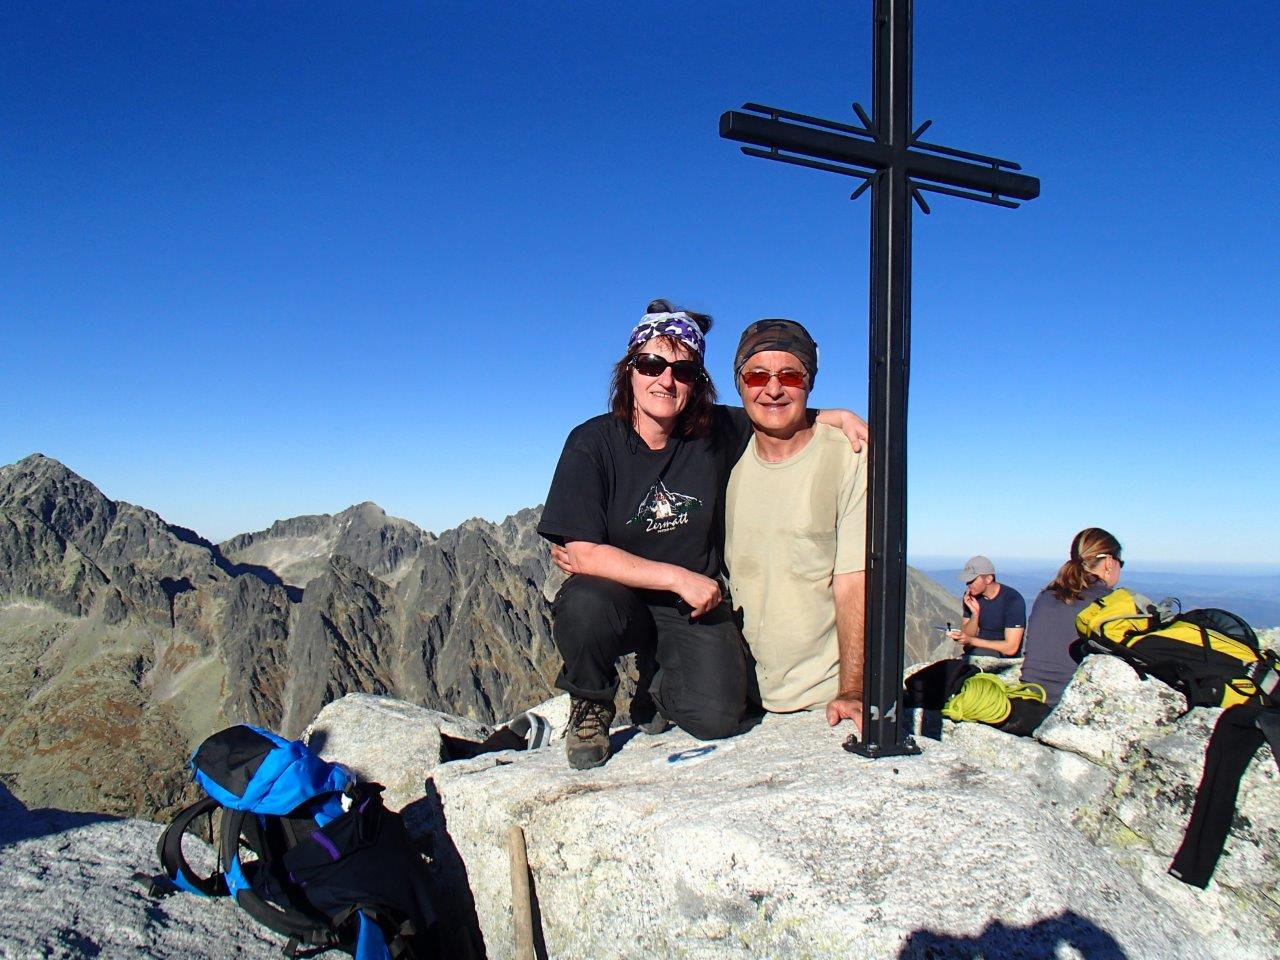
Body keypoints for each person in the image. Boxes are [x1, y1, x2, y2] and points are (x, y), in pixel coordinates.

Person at [539, 300, 867, 770]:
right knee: (584, 603)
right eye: (651, 364)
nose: (666, 380)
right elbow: (582, 552)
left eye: (684, 370)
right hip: (624, 597)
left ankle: (658, 683)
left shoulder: (714, 431)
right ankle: (591, 700)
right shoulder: (593, 443)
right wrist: (678, 577)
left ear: (698, 382)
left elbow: (775, 411)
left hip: (689, 609)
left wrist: (834, 415)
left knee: (717, 716)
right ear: (629, 370)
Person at [723, 319, 867, 734]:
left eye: (790, 375)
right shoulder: (720, 457)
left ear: (810, 382)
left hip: (824, 702)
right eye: (756, 375)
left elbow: (854, 581)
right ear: (739, 384)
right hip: (738, 698)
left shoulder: (850, 456)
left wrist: (853, 690)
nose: (772, 389)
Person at [1013, 528, 1125, 730]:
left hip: (1029, 699)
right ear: (1109, 562)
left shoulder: (1045, 596)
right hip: (1066, 710)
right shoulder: (1110, 604)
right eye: (1121, 563)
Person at [947, 555, 1026, 659]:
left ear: (988, 579)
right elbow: (966, 635)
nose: (968, 584)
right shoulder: (971, 597)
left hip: (1002, 657)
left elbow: (1011, 648)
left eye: (972, 580)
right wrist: (975, 615)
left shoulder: (1012, 600)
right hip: (975, 653)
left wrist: (972, 641)